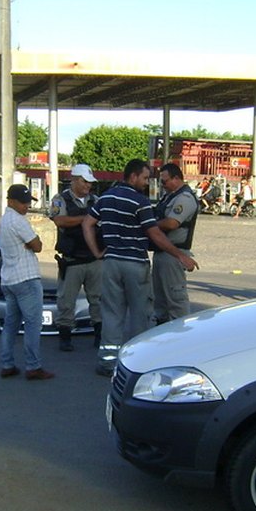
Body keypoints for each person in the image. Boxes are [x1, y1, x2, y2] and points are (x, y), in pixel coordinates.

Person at [82, 159, 198, 377]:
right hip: (135, 263)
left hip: (110, 263)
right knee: (140, 314)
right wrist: (180, 255)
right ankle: (137, 363)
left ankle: (107, 362)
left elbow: (87, 223)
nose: (147, 183)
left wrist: (97, 252)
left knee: (112, 313)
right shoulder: (140, 201)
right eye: (144, 178)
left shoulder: (105, 198)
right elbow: (154, 232)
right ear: (133, 176)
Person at [0, 184, 54, 381]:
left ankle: (7, 363)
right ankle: (33, 366)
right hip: (26, 278)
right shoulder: (19, 221)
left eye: (28, 202)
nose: (26, 206)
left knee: (11, 323)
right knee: (32, 323)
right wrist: (32, 241)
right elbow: (38, 246)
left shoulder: (3, 220)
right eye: (23, 202)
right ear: (11, 201)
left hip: (9, 278)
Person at [48, 163, 103, 352]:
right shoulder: (60, 199)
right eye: (84, 182)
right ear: (74, 180)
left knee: (98, 299)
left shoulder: (95, 199)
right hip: (71, 260)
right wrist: (88, 219)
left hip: (94, 259)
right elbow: (59, 220)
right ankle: (65, 336)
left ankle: (99, 334)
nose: (88, 186)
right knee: (66, 301)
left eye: (90, 183)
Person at [152, 163, 199, 323]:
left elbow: (172, 223)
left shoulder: (184, 198)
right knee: (160, 302)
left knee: (176, 301)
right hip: (163, 251)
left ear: (176, 178)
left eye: (164, 182)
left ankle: (180, 338)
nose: (162, 185)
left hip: (173, 254)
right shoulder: (170, 196)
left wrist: (149, 225)